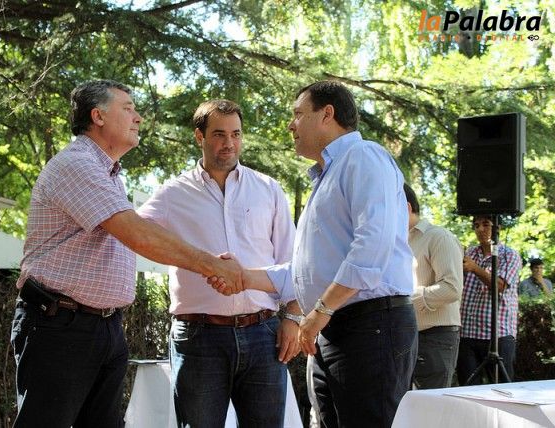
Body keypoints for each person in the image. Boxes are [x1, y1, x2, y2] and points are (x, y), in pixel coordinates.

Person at [10, 80, 243, 428]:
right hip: (61, 326)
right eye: (128, 108)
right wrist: (211, 265)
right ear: (98, 116)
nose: (138, 117)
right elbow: (139, 235)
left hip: (102, 326)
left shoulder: (111, 175)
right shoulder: (77, 165)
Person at [213, 80, 418, 428]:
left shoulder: (363, 156)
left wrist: (321, 311)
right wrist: (245, 277)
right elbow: (306, 272)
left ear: (327, 114)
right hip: (333, 328)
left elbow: (373, 246)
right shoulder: (327, 176)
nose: (290, 125)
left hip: (369, 327)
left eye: (298, 114)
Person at [137, 99, 301, 427]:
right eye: (219, 134)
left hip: (263, 334)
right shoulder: (172, 194)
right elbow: (136, 235)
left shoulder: (268, 189)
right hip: (199, 338)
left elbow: (292, 261)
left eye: (236, 134)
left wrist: (294, 317)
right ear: (199, 136)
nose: (229, 143)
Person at [404, 183, 463, 389]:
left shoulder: (439, 236)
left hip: (435, 338)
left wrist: (406, 301)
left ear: (406, 207)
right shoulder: (395, 242)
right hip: (405, 336)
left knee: (429, 405)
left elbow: (452, 288)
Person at [457, 215, 521, 385]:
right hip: (467, 333)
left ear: (498, 228)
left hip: (498, 335)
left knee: (501, 390)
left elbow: (500, 286)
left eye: (486, 224)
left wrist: (474, 268)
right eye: (476, 225)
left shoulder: (510, 255)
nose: (480, 229)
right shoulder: (470, 252)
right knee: (468, 390)